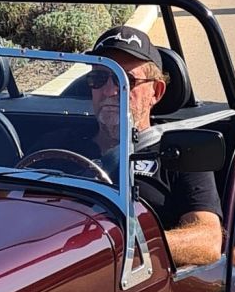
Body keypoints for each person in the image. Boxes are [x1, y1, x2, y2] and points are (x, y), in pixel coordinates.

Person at [86, 25, 225, 267]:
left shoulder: (181, 152)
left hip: (130, 284)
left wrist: (122, 250)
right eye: (99, 78)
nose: (110, 90)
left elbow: (208, 240)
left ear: (156, 92)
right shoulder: (56, 142)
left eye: (126, 80)